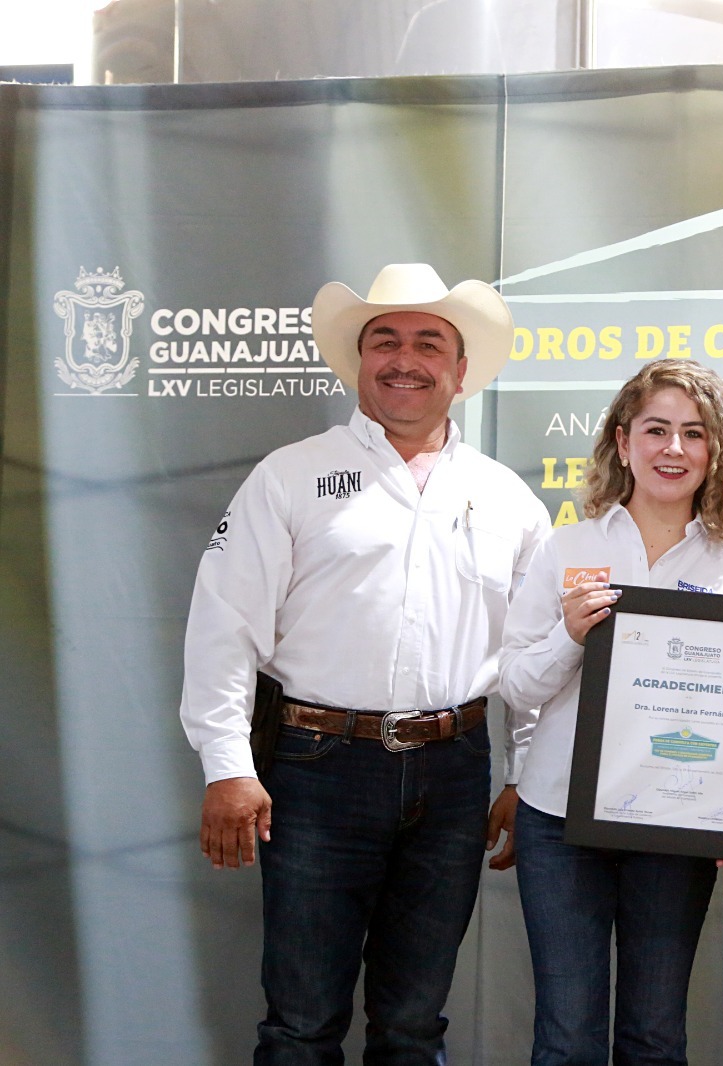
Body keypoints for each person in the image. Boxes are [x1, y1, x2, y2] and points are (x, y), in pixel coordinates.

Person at [179, 262, 552, 1062]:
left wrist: (527, 774)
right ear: (359, 361)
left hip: (456, 774)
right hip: (317, 770)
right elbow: (223, 623)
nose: (404, 359)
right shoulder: (290, 476)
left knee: (414, 1025)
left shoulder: (510, 500)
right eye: (385, 341)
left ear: (460, 371)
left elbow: (533, 657)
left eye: (428, 343)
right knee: (301, 1023)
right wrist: (227, 765)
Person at [498, 359, 723, 1066]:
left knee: (654, 1037)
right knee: (568, 1037)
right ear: (623, 443)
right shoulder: (567, 548)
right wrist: (569, 635)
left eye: (694, 433)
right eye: (656, 430)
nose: (673, 449)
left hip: (673, 825)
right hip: (560, 820)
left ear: (714, 451)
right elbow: (517, 687)